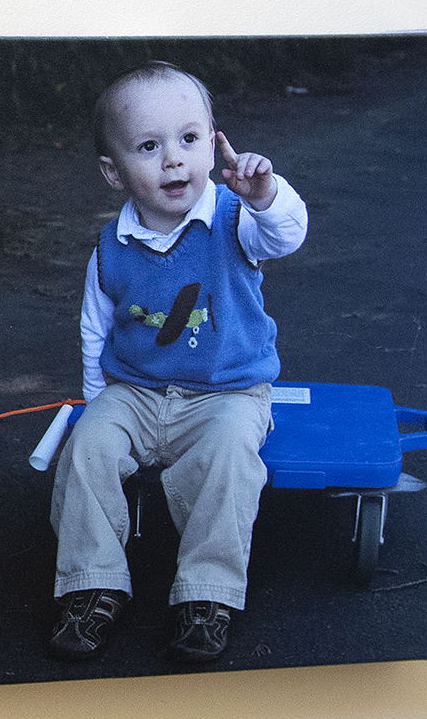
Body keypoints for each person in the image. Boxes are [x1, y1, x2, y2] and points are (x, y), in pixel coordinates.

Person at [48, 61, 309, 664]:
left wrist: (265, 196)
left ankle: (206, 593)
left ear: (213, 142)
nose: (174, 160)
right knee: (87, 450)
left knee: (229, 459)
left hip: (228, 393)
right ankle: (92, 586)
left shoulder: (235, 220)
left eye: (189, 140)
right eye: (149, 146)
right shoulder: (110, 247)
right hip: (135, 392)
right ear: (114, 172)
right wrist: (96, 403)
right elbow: (96, 327)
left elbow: (286, 235)